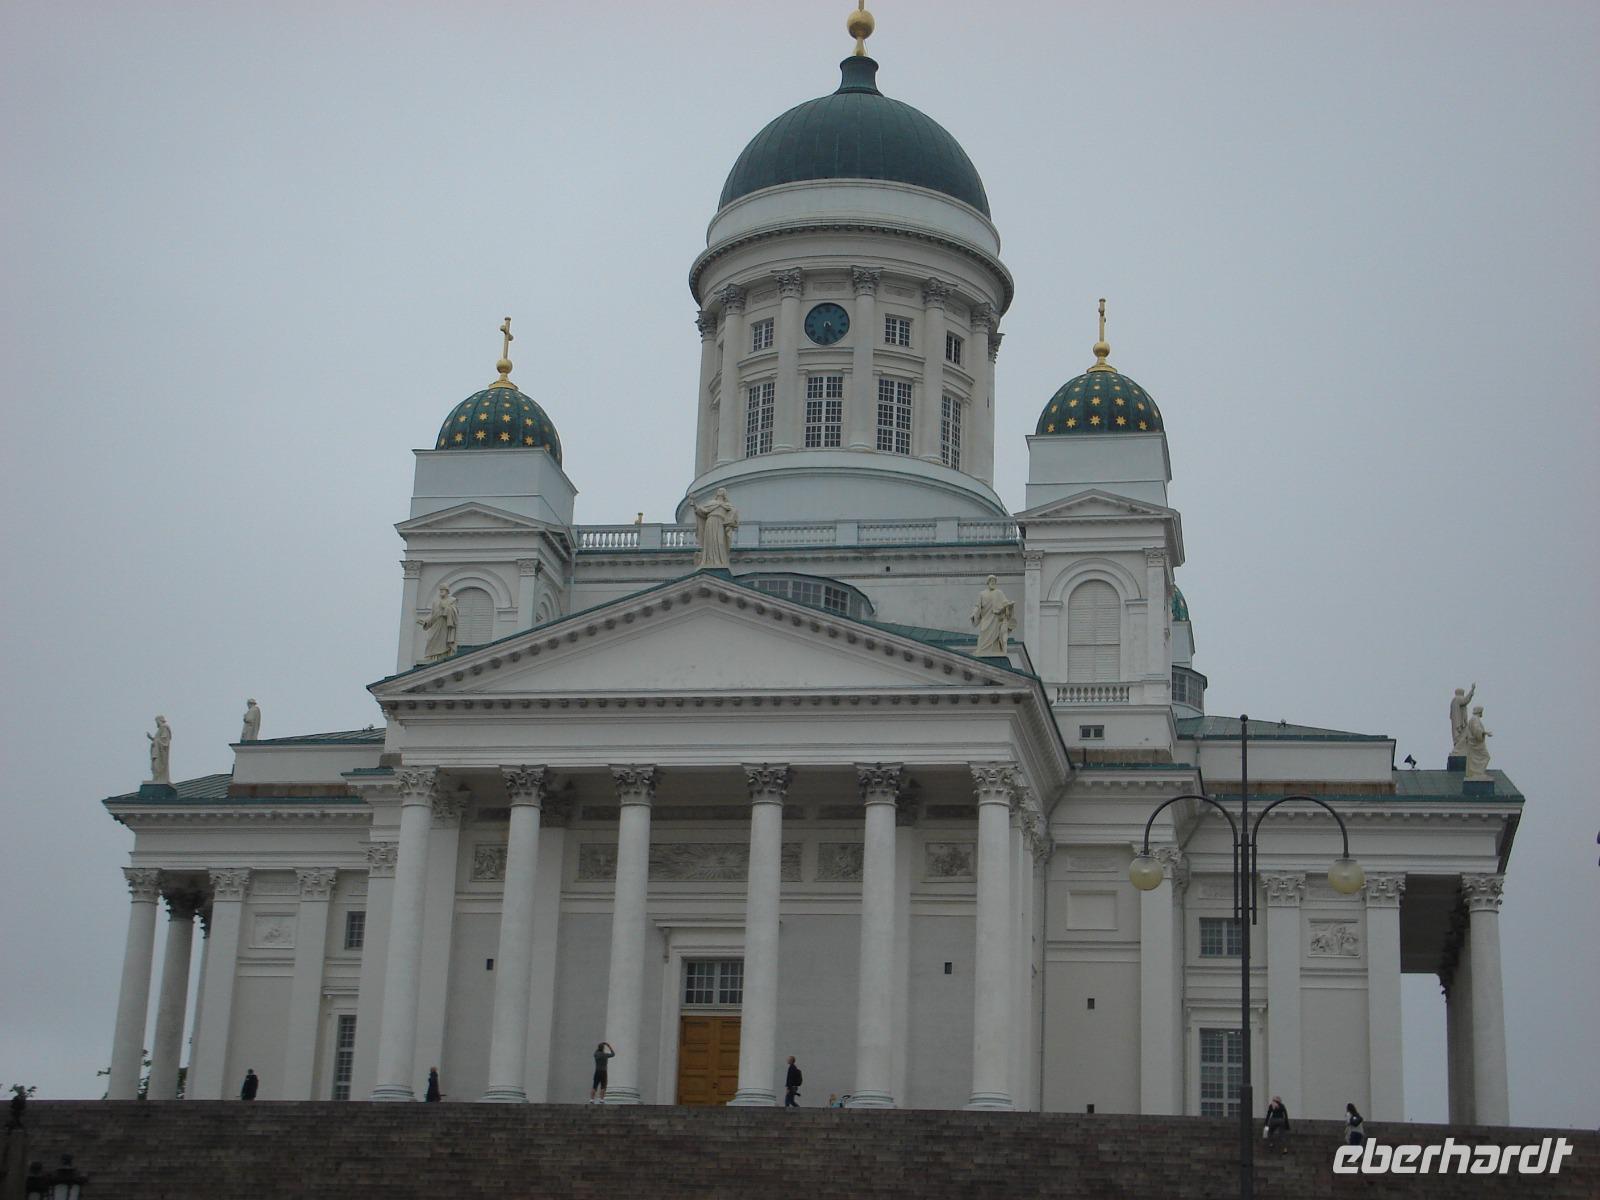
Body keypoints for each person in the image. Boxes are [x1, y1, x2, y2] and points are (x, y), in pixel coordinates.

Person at [970, 575, 1017, 657]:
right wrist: (974, 614)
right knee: (983, 633)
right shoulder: (982, 594)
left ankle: (996, 650)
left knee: (996, 637)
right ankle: (982, 650)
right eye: (991, 581)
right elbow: (977, 606)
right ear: (988, 582)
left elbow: (1005, 603)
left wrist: (1009, 606)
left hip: (996, 619)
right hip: (986, 618)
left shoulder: (999, 593)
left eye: (994, 581)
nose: (993, 583)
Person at [692, 487, 738, 570]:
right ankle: (709, 560)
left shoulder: (728, 505)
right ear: (717, 493)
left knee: (720, 542)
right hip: (711, 522)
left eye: (722, 491)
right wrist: (694, 504)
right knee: (710, 541)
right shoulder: (711, 503)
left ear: (725, 494)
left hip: (720, 523)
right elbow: (702, 511)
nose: (720, 492)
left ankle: (721, 561)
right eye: (719, 491)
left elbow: (733, 513)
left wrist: (729, 524)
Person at [418, 584, 459, 661]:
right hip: (436, 624)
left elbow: (455, 612)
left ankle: (442, 657)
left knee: (443, 643)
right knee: (430, 640)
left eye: (443, 590)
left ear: (447, 591)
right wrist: (425, 621)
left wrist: (446, 608)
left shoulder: (452, 600)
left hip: (445, 625)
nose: (441, 592)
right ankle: (432, 658)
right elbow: (432, 614)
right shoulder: (436, 602)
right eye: (440, 590)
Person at [147, 715, 172, 784]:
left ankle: (159, 778)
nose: (156, 723)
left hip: (160, 752)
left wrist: (156, 741)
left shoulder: (164, 727)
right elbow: (158, 739)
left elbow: (164, 740)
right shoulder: (161, 728)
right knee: (155, 765)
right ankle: (157, 778)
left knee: (158, 765)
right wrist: (151, 738)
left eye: (156, 721)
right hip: (157, 750)